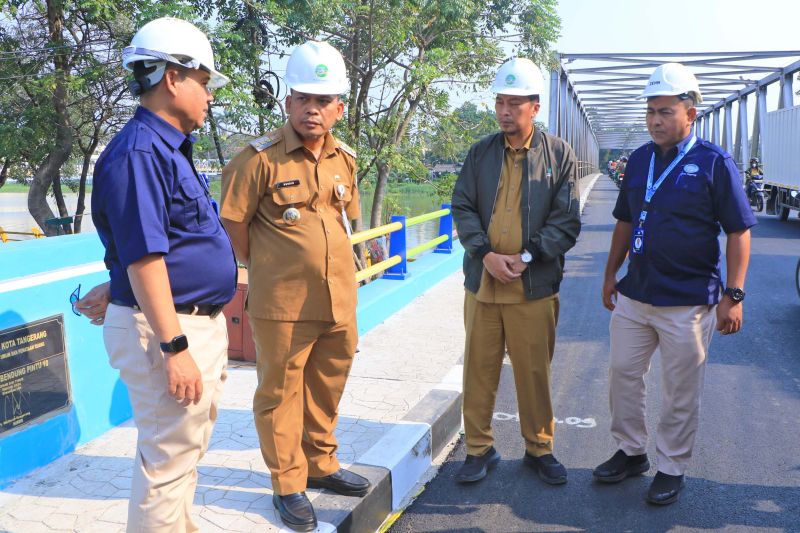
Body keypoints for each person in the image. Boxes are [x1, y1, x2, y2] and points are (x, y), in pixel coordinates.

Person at [90, 17, 237, 531]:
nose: (210, 96)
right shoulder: (140, 153)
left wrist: (117, 286)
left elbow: (157, 245)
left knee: (180, 458)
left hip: (183, 321)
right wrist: (175, 349)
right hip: (170, 331)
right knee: (167, 464)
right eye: (205, 82)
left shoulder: (166, 149)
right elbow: (145, 260)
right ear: (173, 78)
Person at [219, 40, 368, 532]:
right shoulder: (257, 160)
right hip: (283, 304)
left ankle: (321, 464)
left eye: (323, 100)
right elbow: (233, 224)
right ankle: (287, 483)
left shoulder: (345, 158)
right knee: (280, 394)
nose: (312, 108)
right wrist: (267, 264)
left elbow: (347, 217)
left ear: (338, 108)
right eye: (303, 98)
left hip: (338, 300)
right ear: (288, 103)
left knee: (328, 386)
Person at [594, 62, 756, 505]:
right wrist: (610, 274)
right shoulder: (639, 160)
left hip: (688, 301)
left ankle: (671, 466)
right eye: (650, 111)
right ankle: (631, 452)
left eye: (665, 111)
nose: (655, 120)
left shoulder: (713, 163)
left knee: (680, 391)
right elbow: (625, 221)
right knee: (623, 375)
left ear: (691, 113)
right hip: (636, 294)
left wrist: (734, 294)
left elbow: (739, 231)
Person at [451, 57, 581, 486]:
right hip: (484, 283)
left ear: (535, 107)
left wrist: (526, 257)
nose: (505, 111)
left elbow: (566, 220)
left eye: (514, 104)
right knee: (478, 369)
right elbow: (463, 206)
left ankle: (539, 448)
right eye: (500, 102)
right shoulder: (480, 153)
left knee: (533, 372)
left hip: (533, 285)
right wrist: (485, 254)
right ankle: (478, 449)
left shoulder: (558, 155)